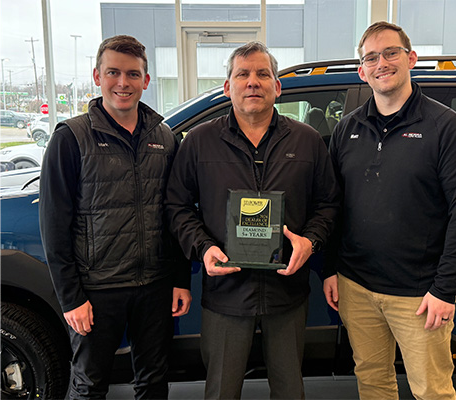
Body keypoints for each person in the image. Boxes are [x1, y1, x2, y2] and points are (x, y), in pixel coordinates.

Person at [165, 41, 338, 399]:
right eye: (242, 74)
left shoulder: (307, 142)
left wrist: (311, 241)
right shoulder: (198, 142)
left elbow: (329, 204)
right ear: (228, 86)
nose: (252, 82)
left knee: (290, 391)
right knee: (221, 392)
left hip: (287, 294)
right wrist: (204, 246)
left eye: (263, 74)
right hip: (226, 294)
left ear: (278, 86)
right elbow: (177, 206)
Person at [322, 21, 456, 400]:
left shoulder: (447, 127)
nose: (382, 63)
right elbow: (332, 206)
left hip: (419, 295)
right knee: (373, 382)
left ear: (411, 58)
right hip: (356, 288)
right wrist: (331, 268)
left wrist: (445, 289)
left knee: (431, 390)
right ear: (362, 71)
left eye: (391, 52)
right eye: (371, 57)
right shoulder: (347, 130)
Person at [39, 34, 191, 400]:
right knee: (89, 384)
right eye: (113, 73)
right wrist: (71, 298)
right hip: (97, 289)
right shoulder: (70, 138)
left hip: (154, 287)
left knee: (154, 382)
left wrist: (180, 279)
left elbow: (176, 214)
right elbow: (54, 225)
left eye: (133, 75)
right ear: (97, 76)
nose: (123, 83)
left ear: (146, 81)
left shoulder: (165, 138)